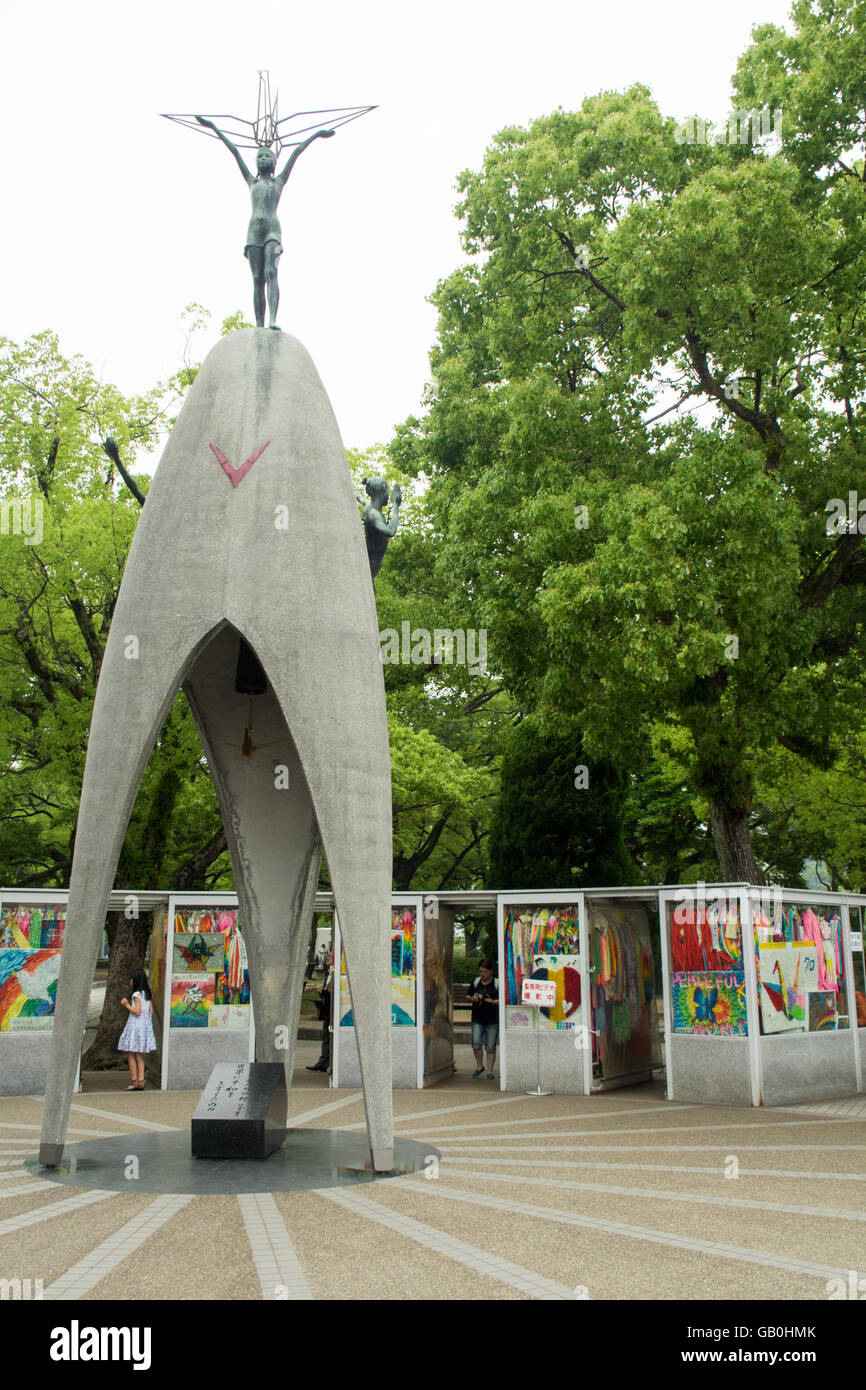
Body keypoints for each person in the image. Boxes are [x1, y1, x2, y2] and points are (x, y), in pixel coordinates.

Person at [195, 116, 335, 329]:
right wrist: (213, 127)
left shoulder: (279, 182)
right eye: (259, 156)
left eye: (267, 156)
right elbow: (233, 150)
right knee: (257, 278)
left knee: (272, 272)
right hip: (254, 232)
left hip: (272, 230)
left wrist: (317, 134)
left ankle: (272, 320)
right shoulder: (252, 181)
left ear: (274, 161)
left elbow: (297, 152)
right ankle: (259, 324)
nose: (262, 159)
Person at [118, 969, 157, 1091]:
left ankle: (134, 1080)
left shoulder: (136, 995)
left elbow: (137, 1011)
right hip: (145, 1027)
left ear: (135, 981)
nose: (130, 982)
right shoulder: (147, 995)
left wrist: (126, 1005)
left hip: (135, 1027)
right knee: (139, 1055)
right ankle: (141, 1080)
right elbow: (150, 1010)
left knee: (131, 1053)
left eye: (131, 979)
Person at [469, 958, 499, 1079]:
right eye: (481, 972)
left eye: (485, 972)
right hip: (477, 1017)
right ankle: (479, 1066)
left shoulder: (497, 983)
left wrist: (492, 1001)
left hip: (492, 1019)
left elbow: (501, 999)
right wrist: (473, 998)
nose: (483, 974)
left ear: (491, 971)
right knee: (476, 1043)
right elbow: (468, 995)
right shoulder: (476, 982)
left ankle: (490, 1071)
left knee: (490, 1046)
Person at [307, 949, 334, 1073]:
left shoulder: (334, 972)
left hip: (331, 1007)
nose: (327, 957)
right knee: (326, 1034)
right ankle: (323, 1061)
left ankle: (324, 1061)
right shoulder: (329, 971)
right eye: (327, 955)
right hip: (326, 1006)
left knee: (328, 1034)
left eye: (330, 955)